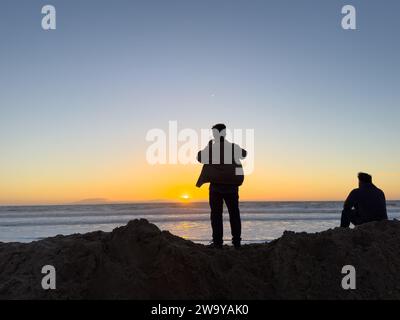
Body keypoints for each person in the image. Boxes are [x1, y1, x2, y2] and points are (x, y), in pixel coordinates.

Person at [196, 123, 247, 249]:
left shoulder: (212, 148)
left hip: (216, 187)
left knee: (216, 215)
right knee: (234, 214)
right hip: (232, 186)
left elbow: (199, 158)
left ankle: (218, 243)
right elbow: (244, 154)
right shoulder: (233, 147)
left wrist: (208, 147)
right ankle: (237, 243)